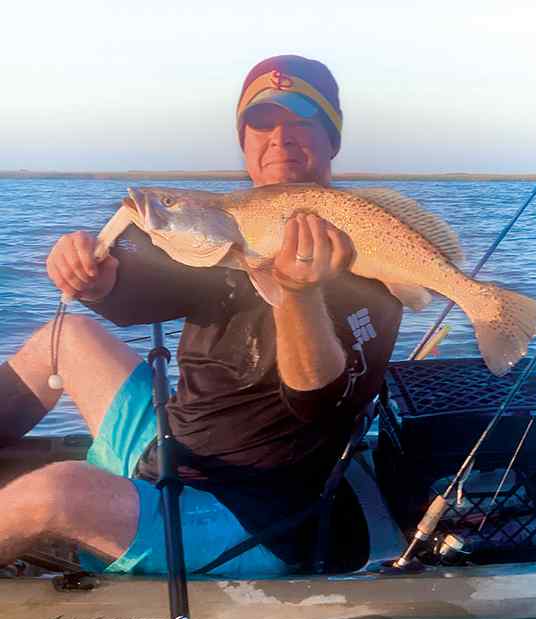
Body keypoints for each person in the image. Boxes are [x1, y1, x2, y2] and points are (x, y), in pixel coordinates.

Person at [0, 55, 402, 576]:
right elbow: (144, 286)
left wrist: (300, 292)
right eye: (262, 125)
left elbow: (317, 401)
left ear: (333, 141)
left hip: (248, 514)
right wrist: (96, 275)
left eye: (303, 124)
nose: (280, 139)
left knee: (52, 494)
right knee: (66, 335)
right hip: (171, 450)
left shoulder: (368, 267)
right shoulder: (227, 230)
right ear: (244, 144)